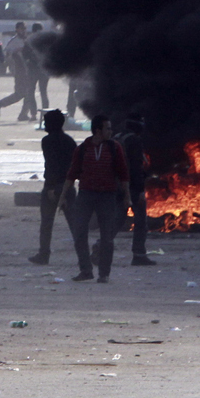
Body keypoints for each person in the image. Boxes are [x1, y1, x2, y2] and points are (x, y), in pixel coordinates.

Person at [63, 115, 128, 283]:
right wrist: (62, 196)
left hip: (107, 196)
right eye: (108, 128)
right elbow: (72, 173)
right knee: (79, 233)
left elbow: (123, 174)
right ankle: (86, 270)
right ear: (98, 130)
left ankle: (104, 273)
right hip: (86, 195)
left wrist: (127, 197)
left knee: (107, 237)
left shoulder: (115, 148)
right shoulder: (83, 148)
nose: (111, 131)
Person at [30, 109, 78, 265]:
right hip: (68, 185)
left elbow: (52, 166)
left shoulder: (47, 141)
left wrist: (51, 187)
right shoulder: (69, 141)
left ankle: (44, 254)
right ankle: (82, 254)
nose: (44, 124)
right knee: (74, 224)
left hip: (53, 186)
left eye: (46, 121)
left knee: (47, 223)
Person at [115, 114, 154, 266]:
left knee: (117, 220)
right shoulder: (134, 140)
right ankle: (139, 255)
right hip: (131, 187)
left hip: (117, 186)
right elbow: (136, 169)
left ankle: (101, 247)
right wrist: (139, 191)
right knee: (140, 222)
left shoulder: (117, 138)